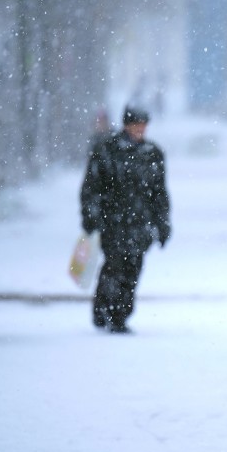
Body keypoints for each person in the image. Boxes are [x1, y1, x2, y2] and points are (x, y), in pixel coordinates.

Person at [80, 106, 171, 334]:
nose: (140, 129)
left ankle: (119, 313)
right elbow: (92, 186)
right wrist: (92, 216)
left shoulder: (152, 153)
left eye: (143, 124)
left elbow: (159, 193)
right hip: (113, 222)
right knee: (115, 266)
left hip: (140, 223)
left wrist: (162, 223)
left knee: (133, 267)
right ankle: (108, 312)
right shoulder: (107, 150)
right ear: (126, 125)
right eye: (136, 124)